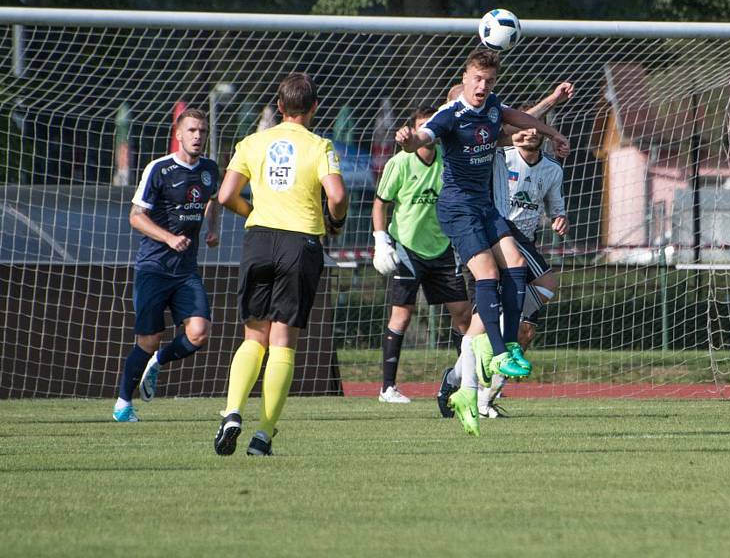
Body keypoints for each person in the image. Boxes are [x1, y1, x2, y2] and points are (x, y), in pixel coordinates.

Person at [395, 47, 569, 436]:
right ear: (466, 77)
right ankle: (500, 352)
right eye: (477, 79)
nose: (482, 86)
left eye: (489, 81)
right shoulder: (451, 114)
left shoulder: (493, 108)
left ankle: (506, 351)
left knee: (518, 268)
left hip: (486, 208)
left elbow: (522, 117)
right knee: (489, 272)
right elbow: (423, 136)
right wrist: (408, 139)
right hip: (457, 209)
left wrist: (554, 131)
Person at [214, 72, 347, 456]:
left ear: (279, 106)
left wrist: (251, 210)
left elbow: (225, 195)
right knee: (283, 342)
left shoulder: (252, 142)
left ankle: (233, 411)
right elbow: (336, 195)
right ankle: (263, 435)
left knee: (253, 336)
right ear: (314, 108)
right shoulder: (320, 145)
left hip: (258, 239)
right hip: (300, 242)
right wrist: (334, 221)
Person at [438, 83, 574, 419]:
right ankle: (471, 383)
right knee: (544, 284)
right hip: (487, 231)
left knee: (513, 329)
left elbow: (522, 122)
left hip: (503, 233)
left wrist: (553, 102)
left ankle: (462, 385)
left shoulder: (491, 136)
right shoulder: (460, 136)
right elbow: (516, 126)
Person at [113, 108, 220, 422]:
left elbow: (212, 199)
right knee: (147, 339)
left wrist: (214, 228)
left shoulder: (211, 169)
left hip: (185, 271)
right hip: (153, 268)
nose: (197, 136)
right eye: (192, 131)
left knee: (199, 332)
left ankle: (158, 361)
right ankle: (123, 404)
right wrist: (169, 238)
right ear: (178, 134)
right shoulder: (158, 169)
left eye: (202, 131)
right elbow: (135, 216)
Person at [372, 105, 472, 403]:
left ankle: (467, 381)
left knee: (464, 315)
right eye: (421, 125)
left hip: (442, 248)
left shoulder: (449, 161)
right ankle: (388, 388)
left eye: (432, 124)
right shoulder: (400, 163)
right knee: (401, 315)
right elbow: (380, 203)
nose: (427, 130)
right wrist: (381, 239)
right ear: (413, 130)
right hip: (407, 248)